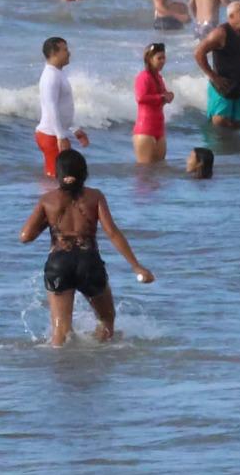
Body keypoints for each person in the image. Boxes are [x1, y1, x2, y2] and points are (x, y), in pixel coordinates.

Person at [19, 148, 152, 346]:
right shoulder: (95, 197)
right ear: (85, 173)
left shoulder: (47, 200)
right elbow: (112, 232)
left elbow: (25, 236)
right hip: (89, 262)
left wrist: (49, 223)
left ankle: (58, 367)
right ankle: (97, 360)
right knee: (106, 320)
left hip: (59, 264)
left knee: (60, 330)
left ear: (57, 174)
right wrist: (136, 266)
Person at [194, 0, 240, 130]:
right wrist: (214, 77)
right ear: (231, 17)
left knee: (237, 126)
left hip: (239, 89)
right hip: (222, 89)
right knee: (219, 125)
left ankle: (234, 151)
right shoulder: (221, 33)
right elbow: (198, 53)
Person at [34, 37, 84, 176]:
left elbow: (63, 108)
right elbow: (51, 107)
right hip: (50, 135)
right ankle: (47, 198)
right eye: (65, 50)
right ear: (54, 53)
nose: (69, 53)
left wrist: (75, 129)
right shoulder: (50, 76)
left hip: (55, 133)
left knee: (62, 177)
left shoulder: (58, 73)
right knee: (56, 177)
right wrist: (60, 136)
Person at [132, 42, 170, 166]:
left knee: (159, 168)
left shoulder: (158, 77)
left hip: (159, 128)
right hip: (145, 129)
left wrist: (168, 97)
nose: (162, 61)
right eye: (159, 58)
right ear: (149, 59)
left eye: (164, 58)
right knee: (145, 171)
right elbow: (140, 98)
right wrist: (161, 97)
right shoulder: (143, 77)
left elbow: (160, 99)